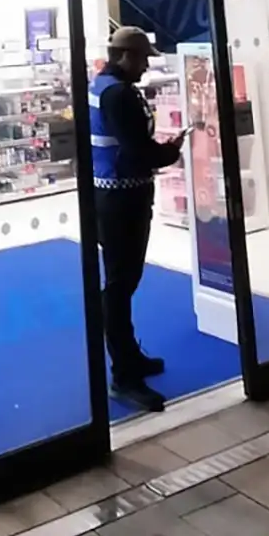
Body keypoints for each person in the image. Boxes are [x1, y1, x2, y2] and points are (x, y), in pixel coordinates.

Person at [89, 24, 186, 412]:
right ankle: (123, 374)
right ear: (125, 56)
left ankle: (128, 354)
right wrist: (169, 152)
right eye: (143, 58)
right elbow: (136, 150)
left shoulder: (100, 86)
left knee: (122, 281)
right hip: (122, 198)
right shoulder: (119, 95)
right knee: (120, 283)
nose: (146, 66)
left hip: (110, 194)